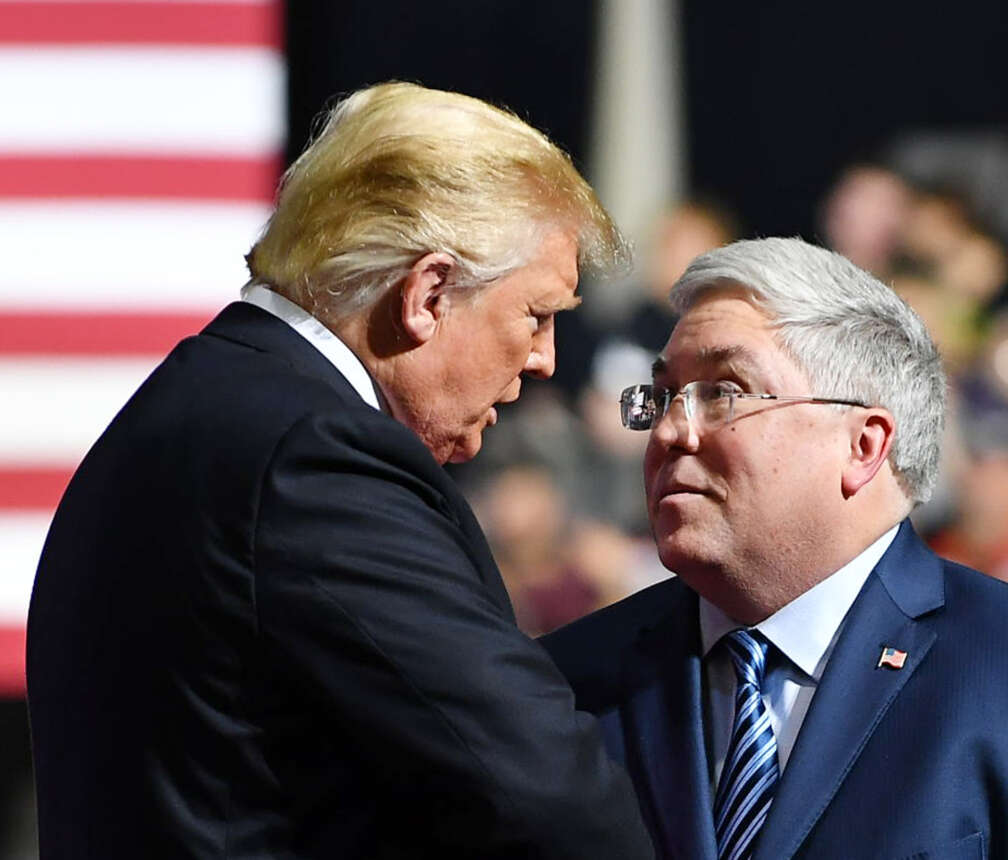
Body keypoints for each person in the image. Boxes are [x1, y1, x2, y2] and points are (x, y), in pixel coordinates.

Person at [26, 82, 654, 859]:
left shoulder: (202, 404)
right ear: (429, 293)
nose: (545, 359)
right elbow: (543, 792)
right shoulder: (315, 460)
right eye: (537, 314)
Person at [542, 236, 1008, 859]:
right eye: (660, 398)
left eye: (722, 393)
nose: (670, 433)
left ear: (864, 446)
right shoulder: (563, 684)